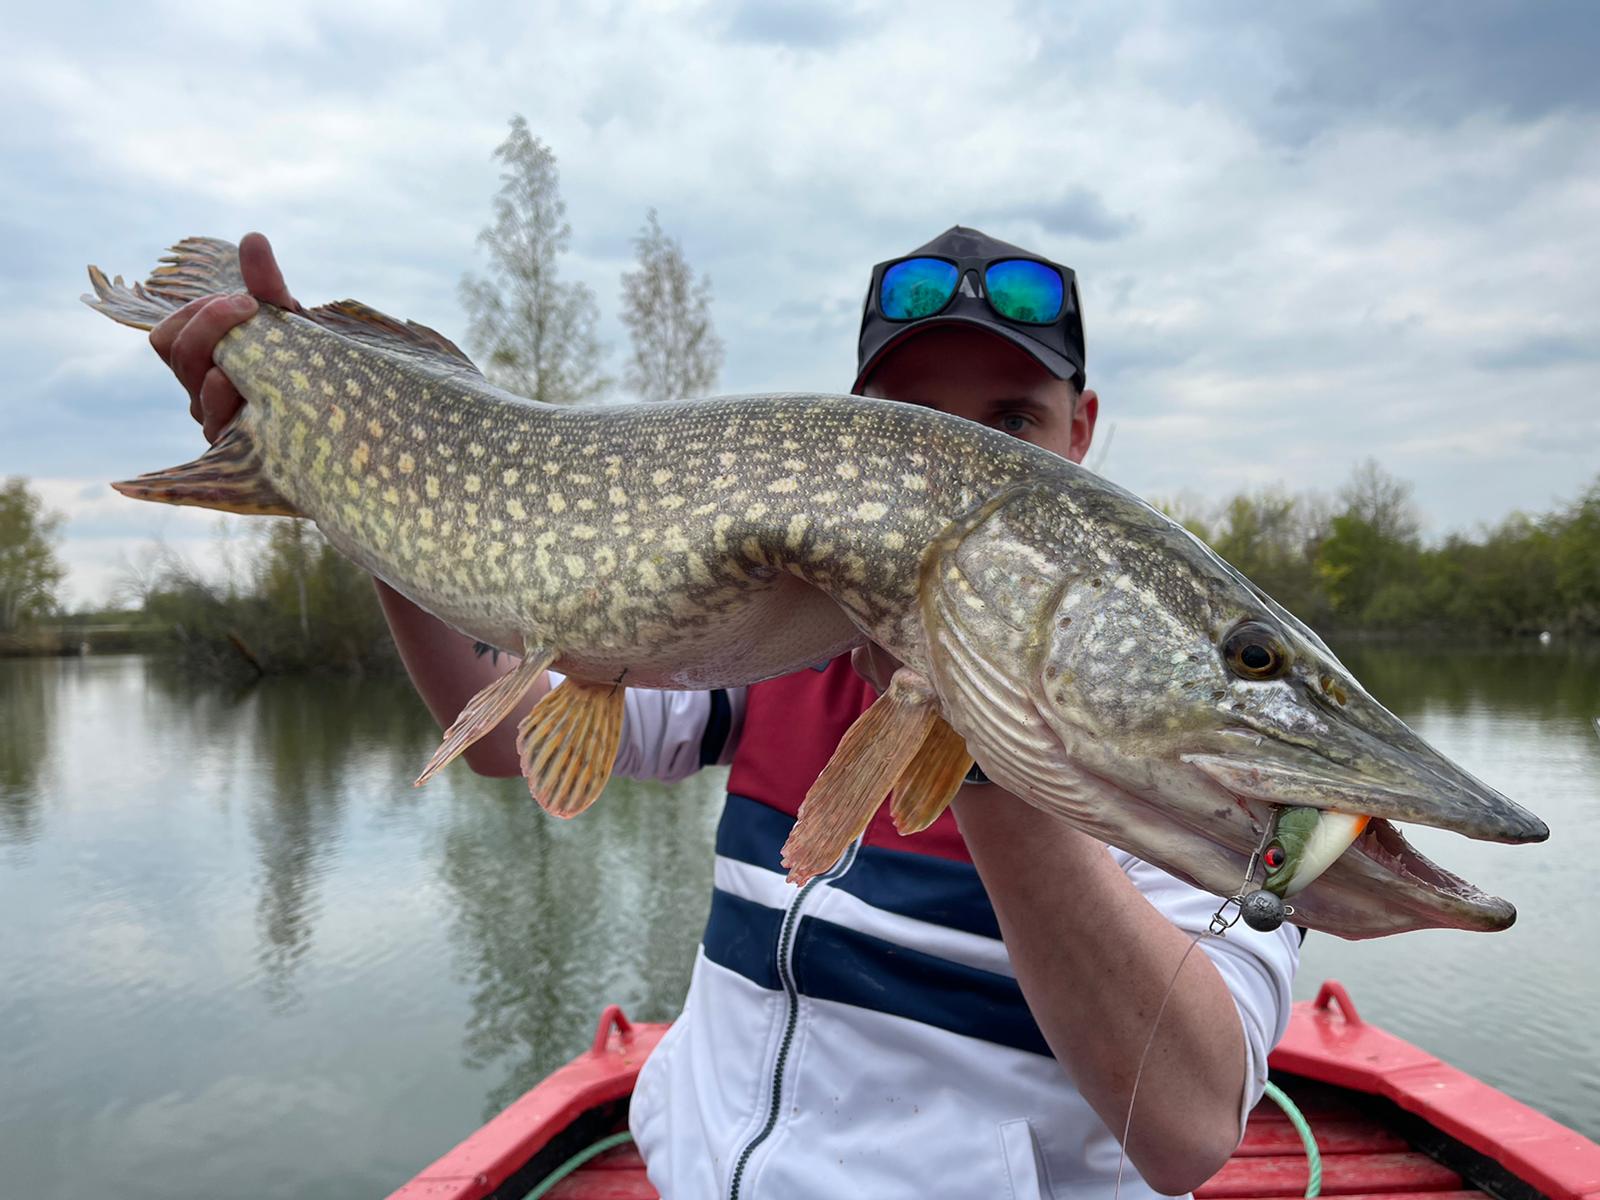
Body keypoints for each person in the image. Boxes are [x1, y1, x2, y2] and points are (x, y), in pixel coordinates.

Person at [150, 225, 1298, 1199]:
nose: (947, 468)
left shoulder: (1197, 722)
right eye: (910, 420)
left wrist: (991, 735)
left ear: (1079, 434)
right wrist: (363, 475)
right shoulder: (766, 643)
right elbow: (506, 738)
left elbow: (1188, 1130)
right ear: (856, 431)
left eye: (1007, 426)